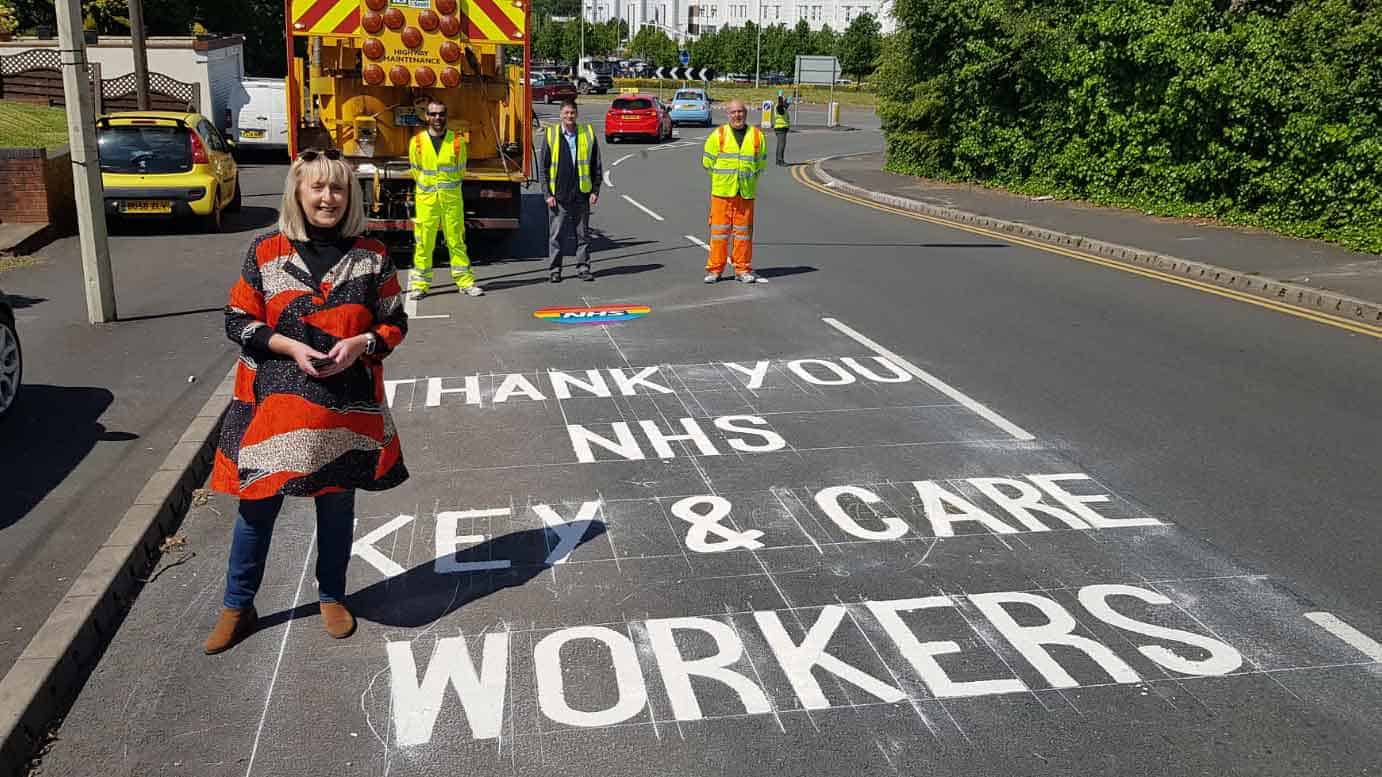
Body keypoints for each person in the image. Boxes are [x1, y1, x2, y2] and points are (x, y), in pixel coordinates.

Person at [205, 148, 410, 655]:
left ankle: (332, 595)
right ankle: (238, 604)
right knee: (257, 511)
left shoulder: (372, 255)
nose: (328, 197)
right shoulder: (265, 251)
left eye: (338, 188)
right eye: (317, 187)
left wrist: (361, 344)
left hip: (344, 407)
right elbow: (237, 320)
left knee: (336, 507)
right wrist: (289, 345)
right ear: (298, 191)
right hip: (271, 407)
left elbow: (394, 322)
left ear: (350, 196)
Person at [408, 98, 483, 298]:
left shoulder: (457, 142)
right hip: (427, 201)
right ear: (426, 117)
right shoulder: (416, 143)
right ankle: (420, 285)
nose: (437, 118)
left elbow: (460, 171)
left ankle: (465, 282)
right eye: (433, 114)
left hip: (451, 200)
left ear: (446, 116)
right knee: (424, 243)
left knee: (456, 241)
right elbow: (416, 171)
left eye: (441, 114)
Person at [701, 99, 768, 284]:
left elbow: (761, 163)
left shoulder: (756, 135)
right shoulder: (719, 135)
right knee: (719, 234)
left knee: (743, 235)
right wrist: (723, 179)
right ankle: (715, 270)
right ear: (727, 114)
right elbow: (707, 162)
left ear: (745, 114)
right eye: (734, 112)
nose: (737, 115)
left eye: (740, 112)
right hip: (722, 193)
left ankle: (742, 269)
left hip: (745, 193)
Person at [538, 99, 602, 283]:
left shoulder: (587, 133)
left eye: (572, 113)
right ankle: (555, 270)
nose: (569, 116)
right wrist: (547, 194)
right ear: (560, 115)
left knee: (583, 235)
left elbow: (596, 165)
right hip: (558, 196)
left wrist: (595, 190)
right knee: (556, 236)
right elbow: (543, 168)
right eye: (566, 113)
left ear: (576, 114)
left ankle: (583, 268)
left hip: (581, 194)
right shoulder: (551, 135)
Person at [773, 94, 791, 166]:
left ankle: (778, 160)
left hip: (781, 128)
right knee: (781, 145)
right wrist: (780, 96)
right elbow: (780, 104)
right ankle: (780, 161)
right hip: (781, 128)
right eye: (787, 103)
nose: (788, 105)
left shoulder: (782, 108)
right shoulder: (779, 107)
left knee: (780, 145)